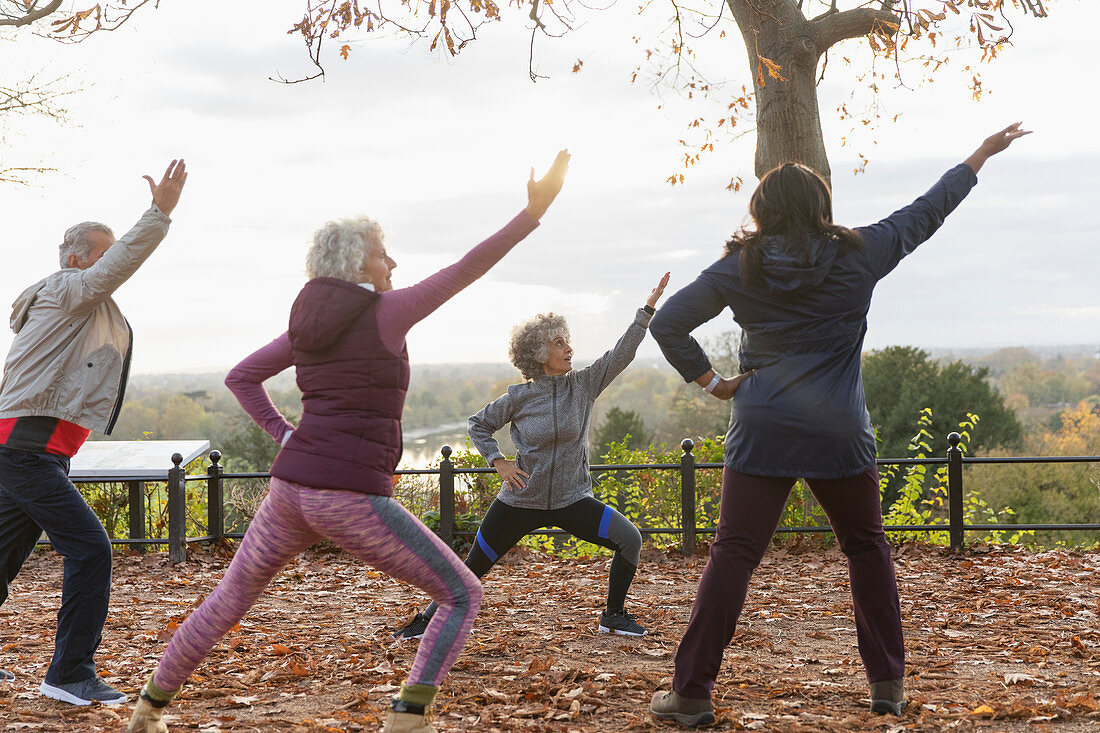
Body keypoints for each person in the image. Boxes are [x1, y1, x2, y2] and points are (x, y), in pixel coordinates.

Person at [125, 150, 570, 733]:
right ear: (362, 260)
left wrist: (285, 434)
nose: (394, 261)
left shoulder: (306, 324)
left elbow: (242, 376)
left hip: (289, 491)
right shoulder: (387, 311)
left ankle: (148, 709)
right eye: (384, 252)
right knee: (461, 595)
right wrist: (530, 214)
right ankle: (407, 721)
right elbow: (467, 268)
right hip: (349, 495)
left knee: (228, 600)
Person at [646, 124, 1031, 727]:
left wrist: (714, 383)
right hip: (839, 432)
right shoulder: (860, 253)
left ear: (762, 210)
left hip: (764, 429)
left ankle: (692, 691)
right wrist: (979, 155)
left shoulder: (738, 267)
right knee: (866, 549)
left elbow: (667, 323)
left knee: (734, 554)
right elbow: (925, 213)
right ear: (822, 206)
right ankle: (887, 687)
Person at [0, 160, 189, 705]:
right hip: (27, 450)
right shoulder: (66, 289)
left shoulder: (81, 306)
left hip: (33, 451)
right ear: (76, 259)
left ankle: (69, 672)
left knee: (3, 555)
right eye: (102, 257)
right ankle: (69, 674)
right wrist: (159, 215)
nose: (111, 268)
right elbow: (120, 263)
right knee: (90, 549)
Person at [393, 272, 669, 642]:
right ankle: (427, 620)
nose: (568, 348)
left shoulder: (584, 386)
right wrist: (498, 461)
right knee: (473, 565)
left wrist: (646, 310)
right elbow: (478, 424)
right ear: (539, 354)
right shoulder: (520, 397)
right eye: (559, 343)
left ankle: (614, 616)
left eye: (567, 340)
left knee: (630, 539)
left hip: (572, 499)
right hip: (521, 500)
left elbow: (621, 354)